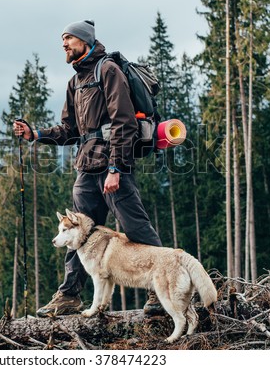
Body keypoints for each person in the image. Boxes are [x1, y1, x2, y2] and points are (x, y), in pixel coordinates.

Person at [13, 19, 163, 317]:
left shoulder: (107, 70)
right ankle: (69, 296)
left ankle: (159, 290)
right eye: (62, 40)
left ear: (85, 40)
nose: (64, 44)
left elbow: (125, 122)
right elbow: (70, 129)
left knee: (135, 227)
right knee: (76, 236)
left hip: (112, 165)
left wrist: (117, 168)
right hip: (86, 168)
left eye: (68, 38)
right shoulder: (75, 82)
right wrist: (36, 134)